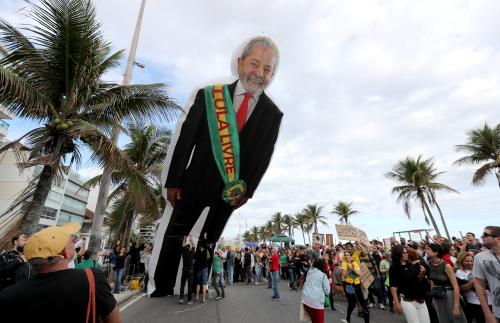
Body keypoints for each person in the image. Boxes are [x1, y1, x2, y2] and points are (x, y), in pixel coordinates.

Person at [149, 36, 283, 297]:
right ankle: (163, 286)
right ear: (240, 62)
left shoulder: (273, 114)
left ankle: (199, 286)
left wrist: (249, 191)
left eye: (267, 69)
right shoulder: (210, 96)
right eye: (254, 64)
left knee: (209, 240)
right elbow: (185, 140)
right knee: (176, 236)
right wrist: (174, 180)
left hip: (230, 192)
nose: (259, 74)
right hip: (193, 183)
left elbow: (262, 157)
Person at [0, 222, 120, 323]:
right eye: (72, 241)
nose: (75, 243)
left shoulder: (7, 295)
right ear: (66, 252)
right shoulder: (92, 278)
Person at [427, 243, 467, 323]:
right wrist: (433, 298)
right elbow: (432, 281)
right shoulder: (430, 264)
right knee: (443, 319)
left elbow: (456, 286)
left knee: (456, 318)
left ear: (436, 253)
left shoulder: (447, 266)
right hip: (437, 295)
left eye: (429, 249)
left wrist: (456, 306)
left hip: (449, 295)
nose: (426, 251)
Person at [389, 245, 430, 323]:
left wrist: (422, 273)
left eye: (406, 252)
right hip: (407, 300)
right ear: (398, 254)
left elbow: (417, 280)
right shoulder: (394, 267)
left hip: (420, 299)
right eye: (404, 253)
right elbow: (393, 286)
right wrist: (396, 302)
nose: (406, 254)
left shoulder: (410, 264)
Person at [473, 226, 500, 323]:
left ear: (498, 238)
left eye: (485, 235)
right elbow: (479, 285)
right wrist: (488, 314)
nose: (481, 237)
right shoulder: (480, 258)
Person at [455, 252, 490, 323]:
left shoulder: (479, 270)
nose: (470, 263)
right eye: (467, 261)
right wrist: (473, 282)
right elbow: (462, 289)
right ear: (462, 261)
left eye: (471, 261)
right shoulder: (459, 272)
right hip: (474, 303)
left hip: (489, 302)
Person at [341, 250, 370, 323]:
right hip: (348, 285)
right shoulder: (344, 264)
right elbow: (344, 276)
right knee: (352, 303)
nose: (346, 256)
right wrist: (348, 269)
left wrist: (353, 269)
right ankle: (348, 316)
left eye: (348, 255)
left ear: (351, 256)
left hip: (357, 284)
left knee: (363, 304)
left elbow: (359, 274)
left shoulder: (355, 263)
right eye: (345, 255)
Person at [302, 259, 330, 323]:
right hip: (316, 302)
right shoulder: (323, 275)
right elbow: (327, 291)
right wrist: (328, 282)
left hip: (306, 300)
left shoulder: (310, 271)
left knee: (313, 320)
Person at [178, 236, 195, 304]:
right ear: (189, 248)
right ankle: (189, 301)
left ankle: (181, 299)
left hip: (184, 270)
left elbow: (182, 246)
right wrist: (191, 239)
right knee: (189, 286)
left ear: (185, 248)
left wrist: (185, 239)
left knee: (182, 285)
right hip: (190, 271)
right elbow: (194, 245)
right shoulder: (191, 253)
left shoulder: (183, 253)